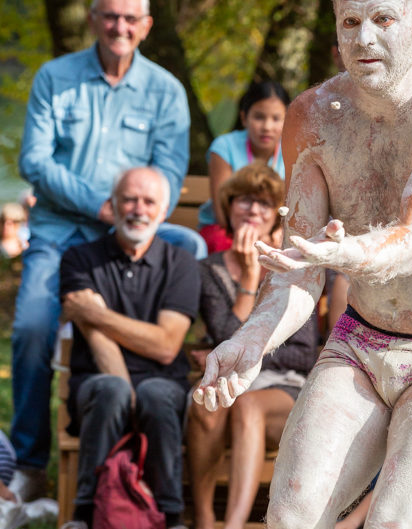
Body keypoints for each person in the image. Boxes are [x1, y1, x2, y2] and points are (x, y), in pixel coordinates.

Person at [195, 0, 412, 526]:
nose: (364, 38)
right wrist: (252, 339)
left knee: (394, 519)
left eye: (383, 19)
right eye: (350, 22)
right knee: (290, 516)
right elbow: (300, 268)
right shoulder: (313, 115)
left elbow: (408, 242)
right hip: (361, 338)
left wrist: (344, 253)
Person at [10, 0, 204, 502]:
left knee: (193, 245)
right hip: (60, 230)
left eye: (130, 18)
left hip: (130, 230)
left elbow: (170, 172)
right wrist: (98, 206)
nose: (120, 26)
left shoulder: (166, 90)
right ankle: (30, 464)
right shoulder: (56, 77)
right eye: (110, 15)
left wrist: (127, 212)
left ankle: (190, 372)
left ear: (146, 26)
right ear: (94, 18)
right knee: (32, 325)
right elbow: (34, 159)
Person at [58, 167, 200, 529]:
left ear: (163, 211)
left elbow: (167, 346)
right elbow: (97, 338)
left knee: (155, 392)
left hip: (162, 385)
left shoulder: (181, 263)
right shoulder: (79, 259)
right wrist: (127, 393)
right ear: (113, 204)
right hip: (98, 380)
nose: (138, 208)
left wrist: (94, 311)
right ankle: (84, 516)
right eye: (129, 199)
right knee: (112, 389)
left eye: (148, 201)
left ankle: (171, 517)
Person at [187, 163, 319, 529]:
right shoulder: (208, 270)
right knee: (204, 405)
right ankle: (202, 518)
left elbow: (305, 353)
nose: (253, 210)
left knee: (247, 406)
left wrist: (255, 274)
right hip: (226, 379)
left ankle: (232, 526)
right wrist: (247, 278)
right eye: (245, 200)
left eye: (264, 203)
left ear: (277, 218)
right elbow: (227, 340)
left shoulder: (293, 269)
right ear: (229, 208)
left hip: (283, 384)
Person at [198, 81, 290, 254]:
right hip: (227, 230)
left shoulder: (293, 152)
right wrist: (255, 238)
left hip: (273, 232)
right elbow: (222, 214)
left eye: (276, 118)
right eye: (259, 117)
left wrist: (275, 234)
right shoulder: (224, 147)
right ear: (243, 118)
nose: (267, 127)